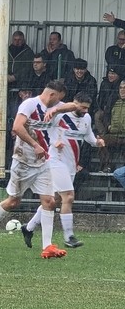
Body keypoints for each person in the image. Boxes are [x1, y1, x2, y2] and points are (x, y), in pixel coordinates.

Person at [0, 80, 78, 259]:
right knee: (12, 202)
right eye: (58, 100)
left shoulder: (56, 106)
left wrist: (56, 109)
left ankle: (47, 246)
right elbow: (17, 127)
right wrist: (34, 145)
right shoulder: (30, 104)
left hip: (43, 163)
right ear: (51, 95)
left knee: (49, 201)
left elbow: (77, 106)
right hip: (23, 162)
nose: (59, 103)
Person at [21, 92, 105, 249]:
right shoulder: (60, 115)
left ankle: (28, 228)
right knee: (69, 197)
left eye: (88, 108)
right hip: (55, 161)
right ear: (74, 103)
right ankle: (69, 236)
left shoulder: (86, 118)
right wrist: (54, 142)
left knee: (55, 201)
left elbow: (89, 137)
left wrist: (97, 142)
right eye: (82, 107)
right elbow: (45, 131)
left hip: (71, 164)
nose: (85, 111)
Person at [97, 80, 125, 172]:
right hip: (113, 135)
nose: (122, 90)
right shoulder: (113, 101)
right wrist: (108, 125)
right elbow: (106, 115)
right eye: (121, 88)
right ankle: (106, 166)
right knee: (101, 140)